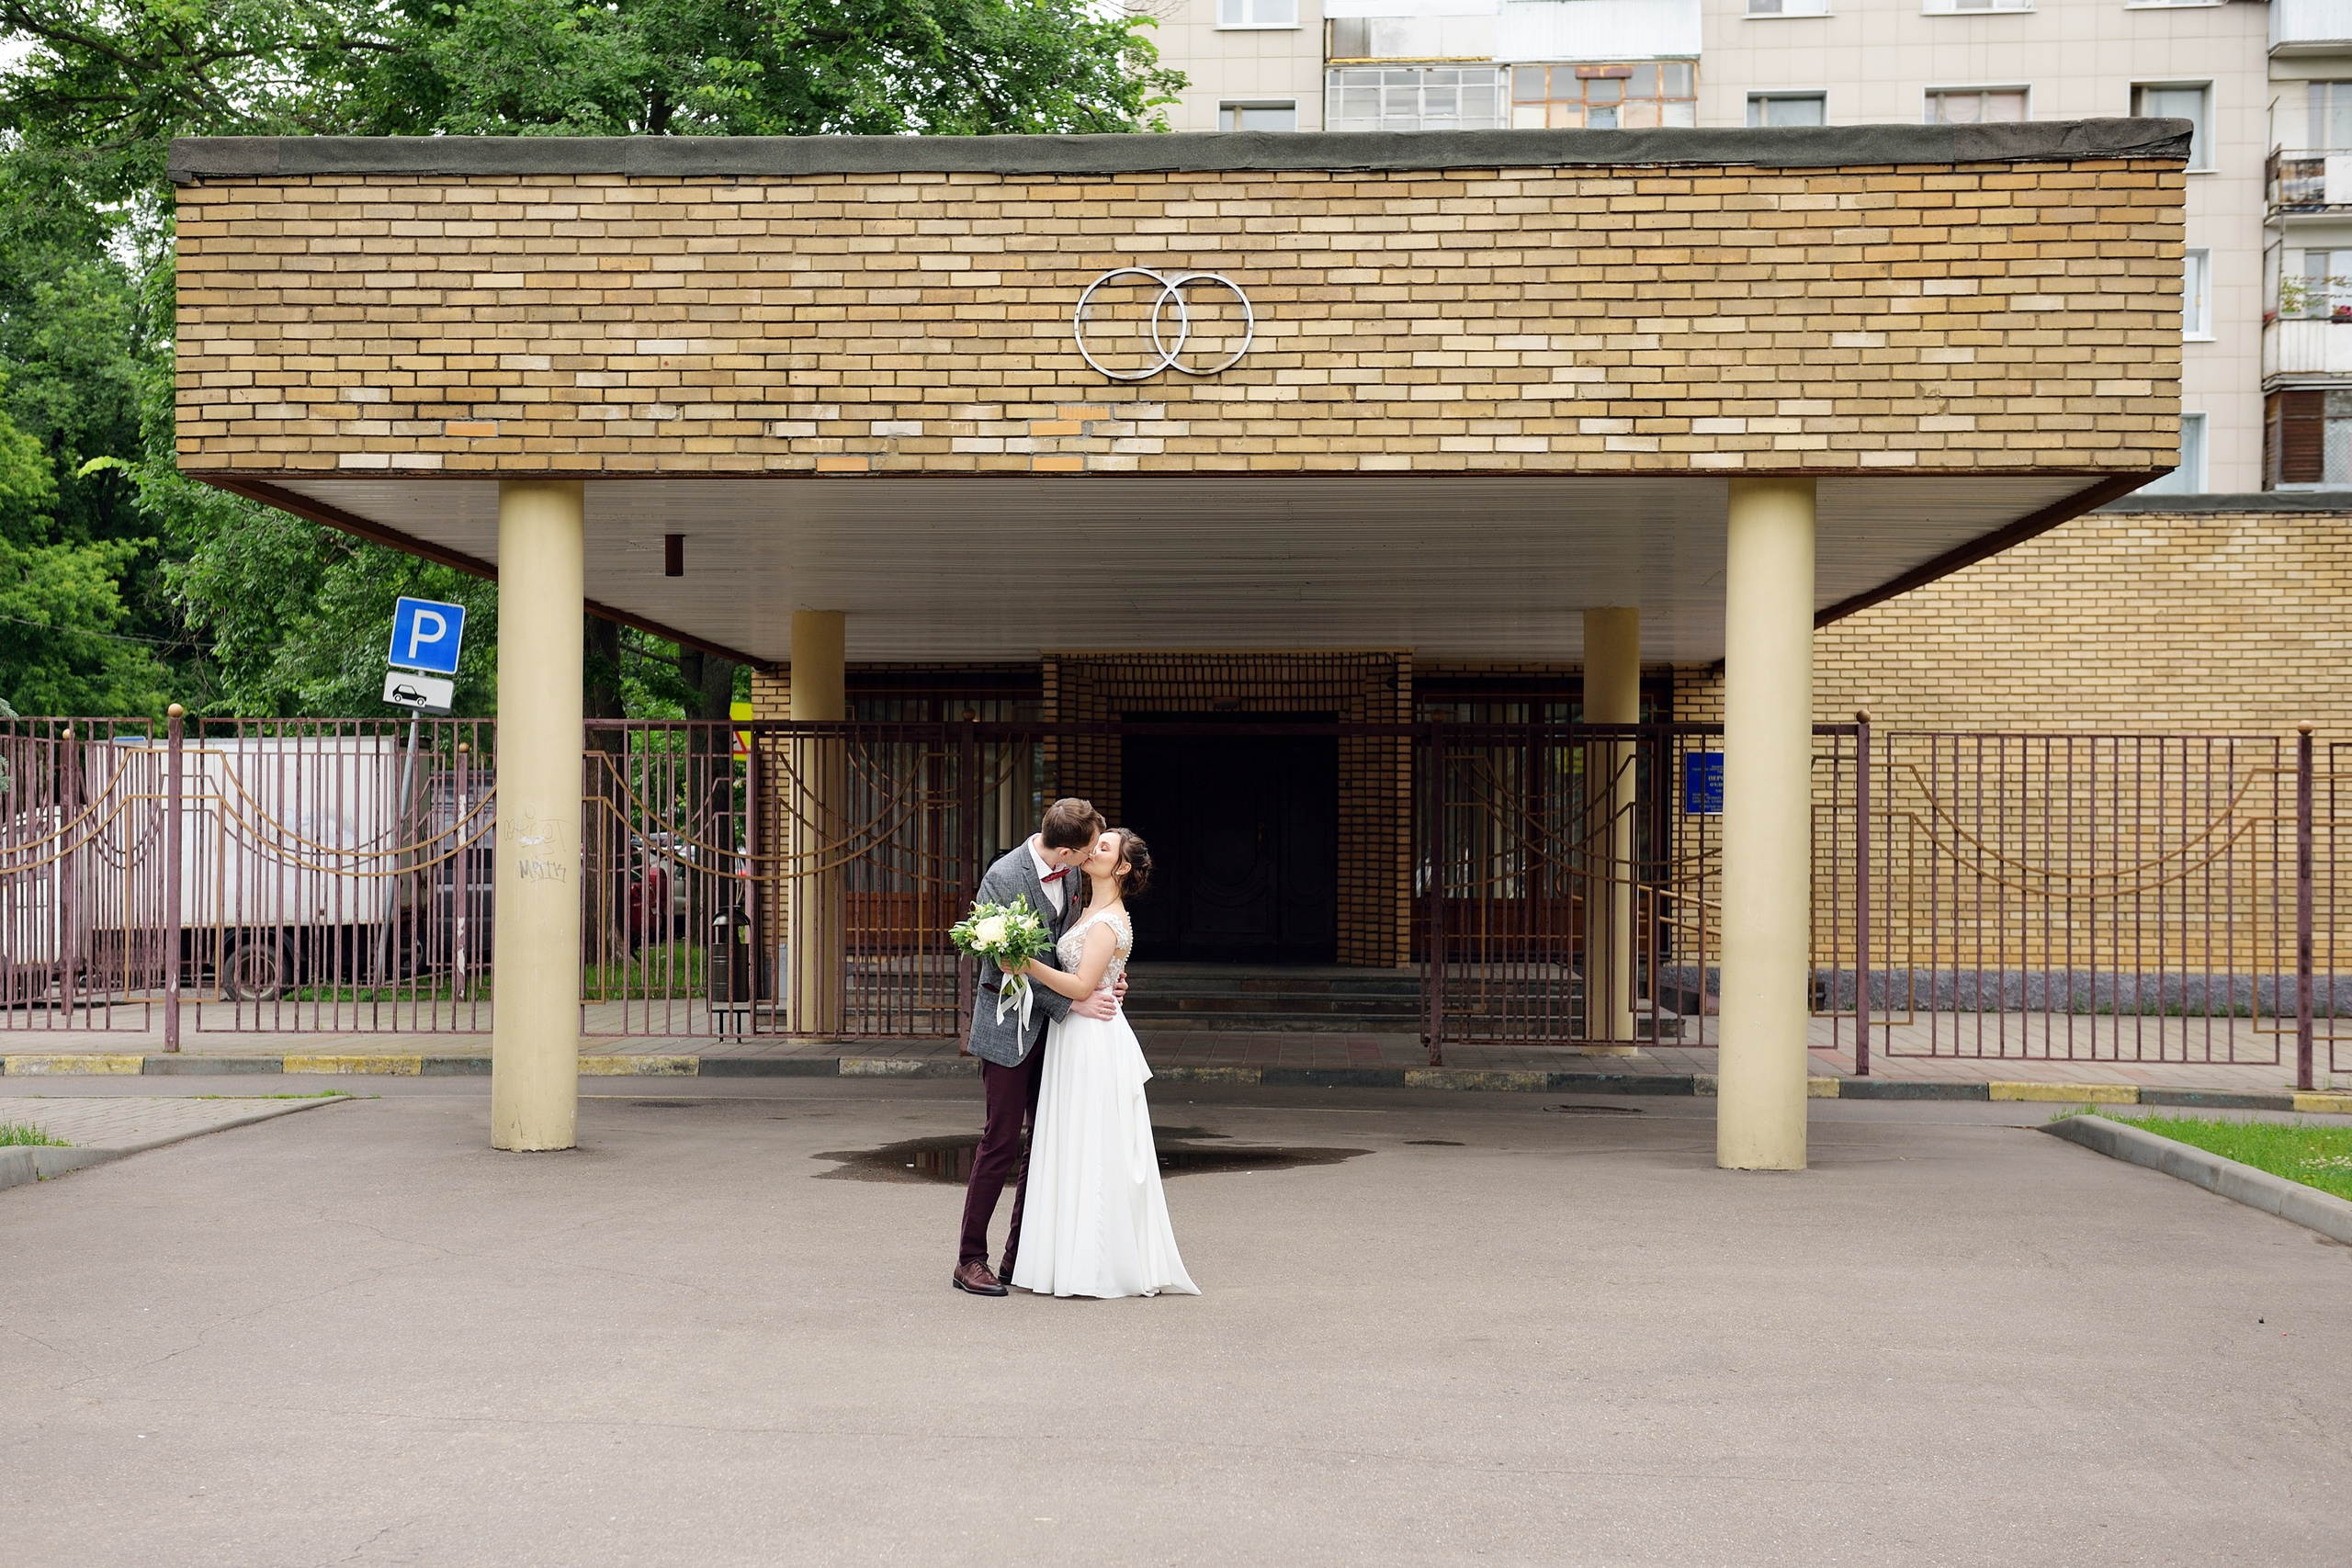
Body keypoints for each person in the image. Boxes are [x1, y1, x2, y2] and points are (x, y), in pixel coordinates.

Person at [1008, 829, 1198, 1300]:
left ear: (1122, 868)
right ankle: (1060, 1258)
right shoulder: (1083, 906)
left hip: (1093, 1039)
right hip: (1073, 1035)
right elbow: (1092, 978)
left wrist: (1024, 962)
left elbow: (1079, 985)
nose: (1094, 850)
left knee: (1092, 1143)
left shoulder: (1109, 920)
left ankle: (1094, 1264)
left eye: (1105, 848)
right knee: (1069, 1140)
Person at [953, 798, 1124, 1298]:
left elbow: (1073, 943)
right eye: (1090, 848)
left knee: (1045, 1141)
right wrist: (1075, 1001)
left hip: (1058, 1035)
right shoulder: (1003, 877)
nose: (1093, 857)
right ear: (1067, 850)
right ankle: (969, 1259)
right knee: (1000, 1141)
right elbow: (1007, 962)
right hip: (1009, 1026)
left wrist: (1103, 979)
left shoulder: (1071, 875)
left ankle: (1019, 1253)